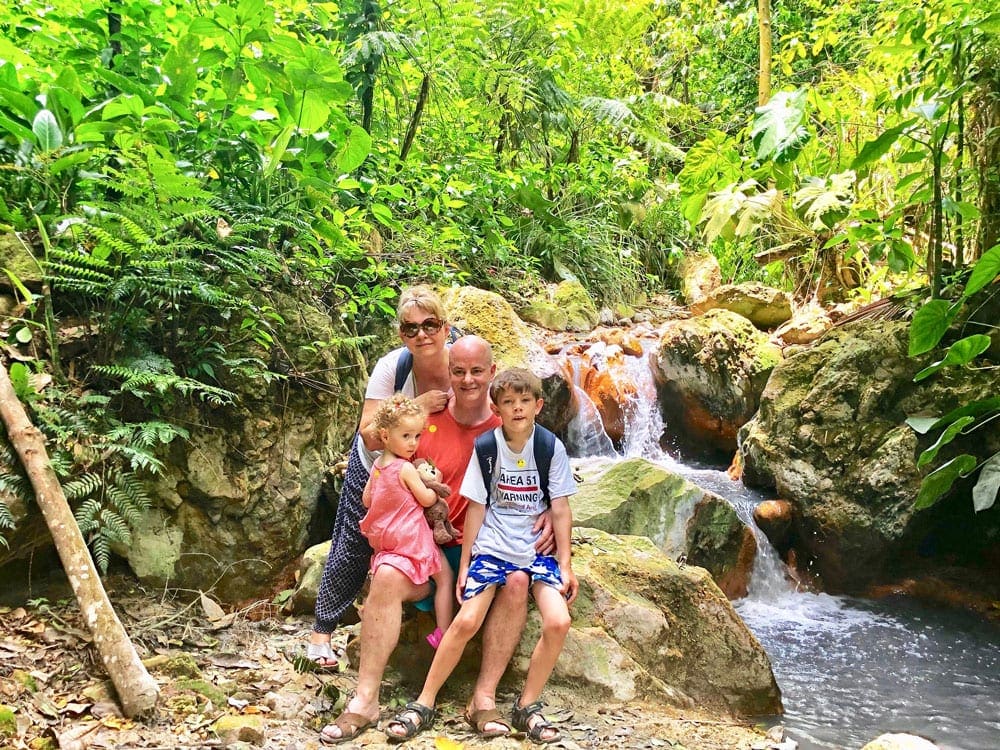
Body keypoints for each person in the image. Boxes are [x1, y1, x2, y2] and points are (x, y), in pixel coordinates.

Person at [319, 337, 553, 744]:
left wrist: (549, 509)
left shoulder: (510, 426)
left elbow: (548, 478)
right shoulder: (422, 425)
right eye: (458, 371)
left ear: (492, 373)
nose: (467, 380)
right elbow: (383, 461)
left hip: (485, 549)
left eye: (477, 371)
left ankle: (484, 698)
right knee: (388, 576)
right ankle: (365, 699)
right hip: (426, 550)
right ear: (448, 373)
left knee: (516, 581)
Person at [385, 367, 578, 745]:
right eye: (509, 403)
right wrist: (467, 562)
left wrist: (567, 564)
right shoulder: (488, 448)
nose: (518, 409)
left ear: (538, 405)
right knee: (467, 618)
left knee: (558, 621)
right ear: (497, 408)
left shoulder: (549, 447)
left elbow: (560, 507)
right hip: (492, 546)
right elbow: (475, 507)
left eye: (525, 401)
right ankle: (425, 701)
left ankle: (527, 705)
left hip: (534, 549)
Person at [309, 285, 452, 668]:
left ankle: (413, 615)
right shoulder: (393, 367)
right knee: (355, 538)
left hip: (428, 468)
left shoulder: (462, 369)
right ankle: (321, 634)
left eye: (429, 325)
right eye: (410, 329)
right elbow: (368, 431)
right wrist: (416, 406)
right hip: (378, 464)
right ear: (400, 335)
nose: (421, 335)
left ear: (446, 328)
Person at [358, 394, 453, 653]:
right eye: (406, 436)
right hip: (411, 537)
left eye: (417, 436)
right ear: (385, 436)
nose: (413, 444)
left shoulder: (378, 465)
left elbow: (367, 500)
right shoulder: (406, 468)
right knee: (445, 578)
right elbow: (425, 499)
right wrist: (435, 486)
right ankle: (444, 633)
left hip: (387, 540)